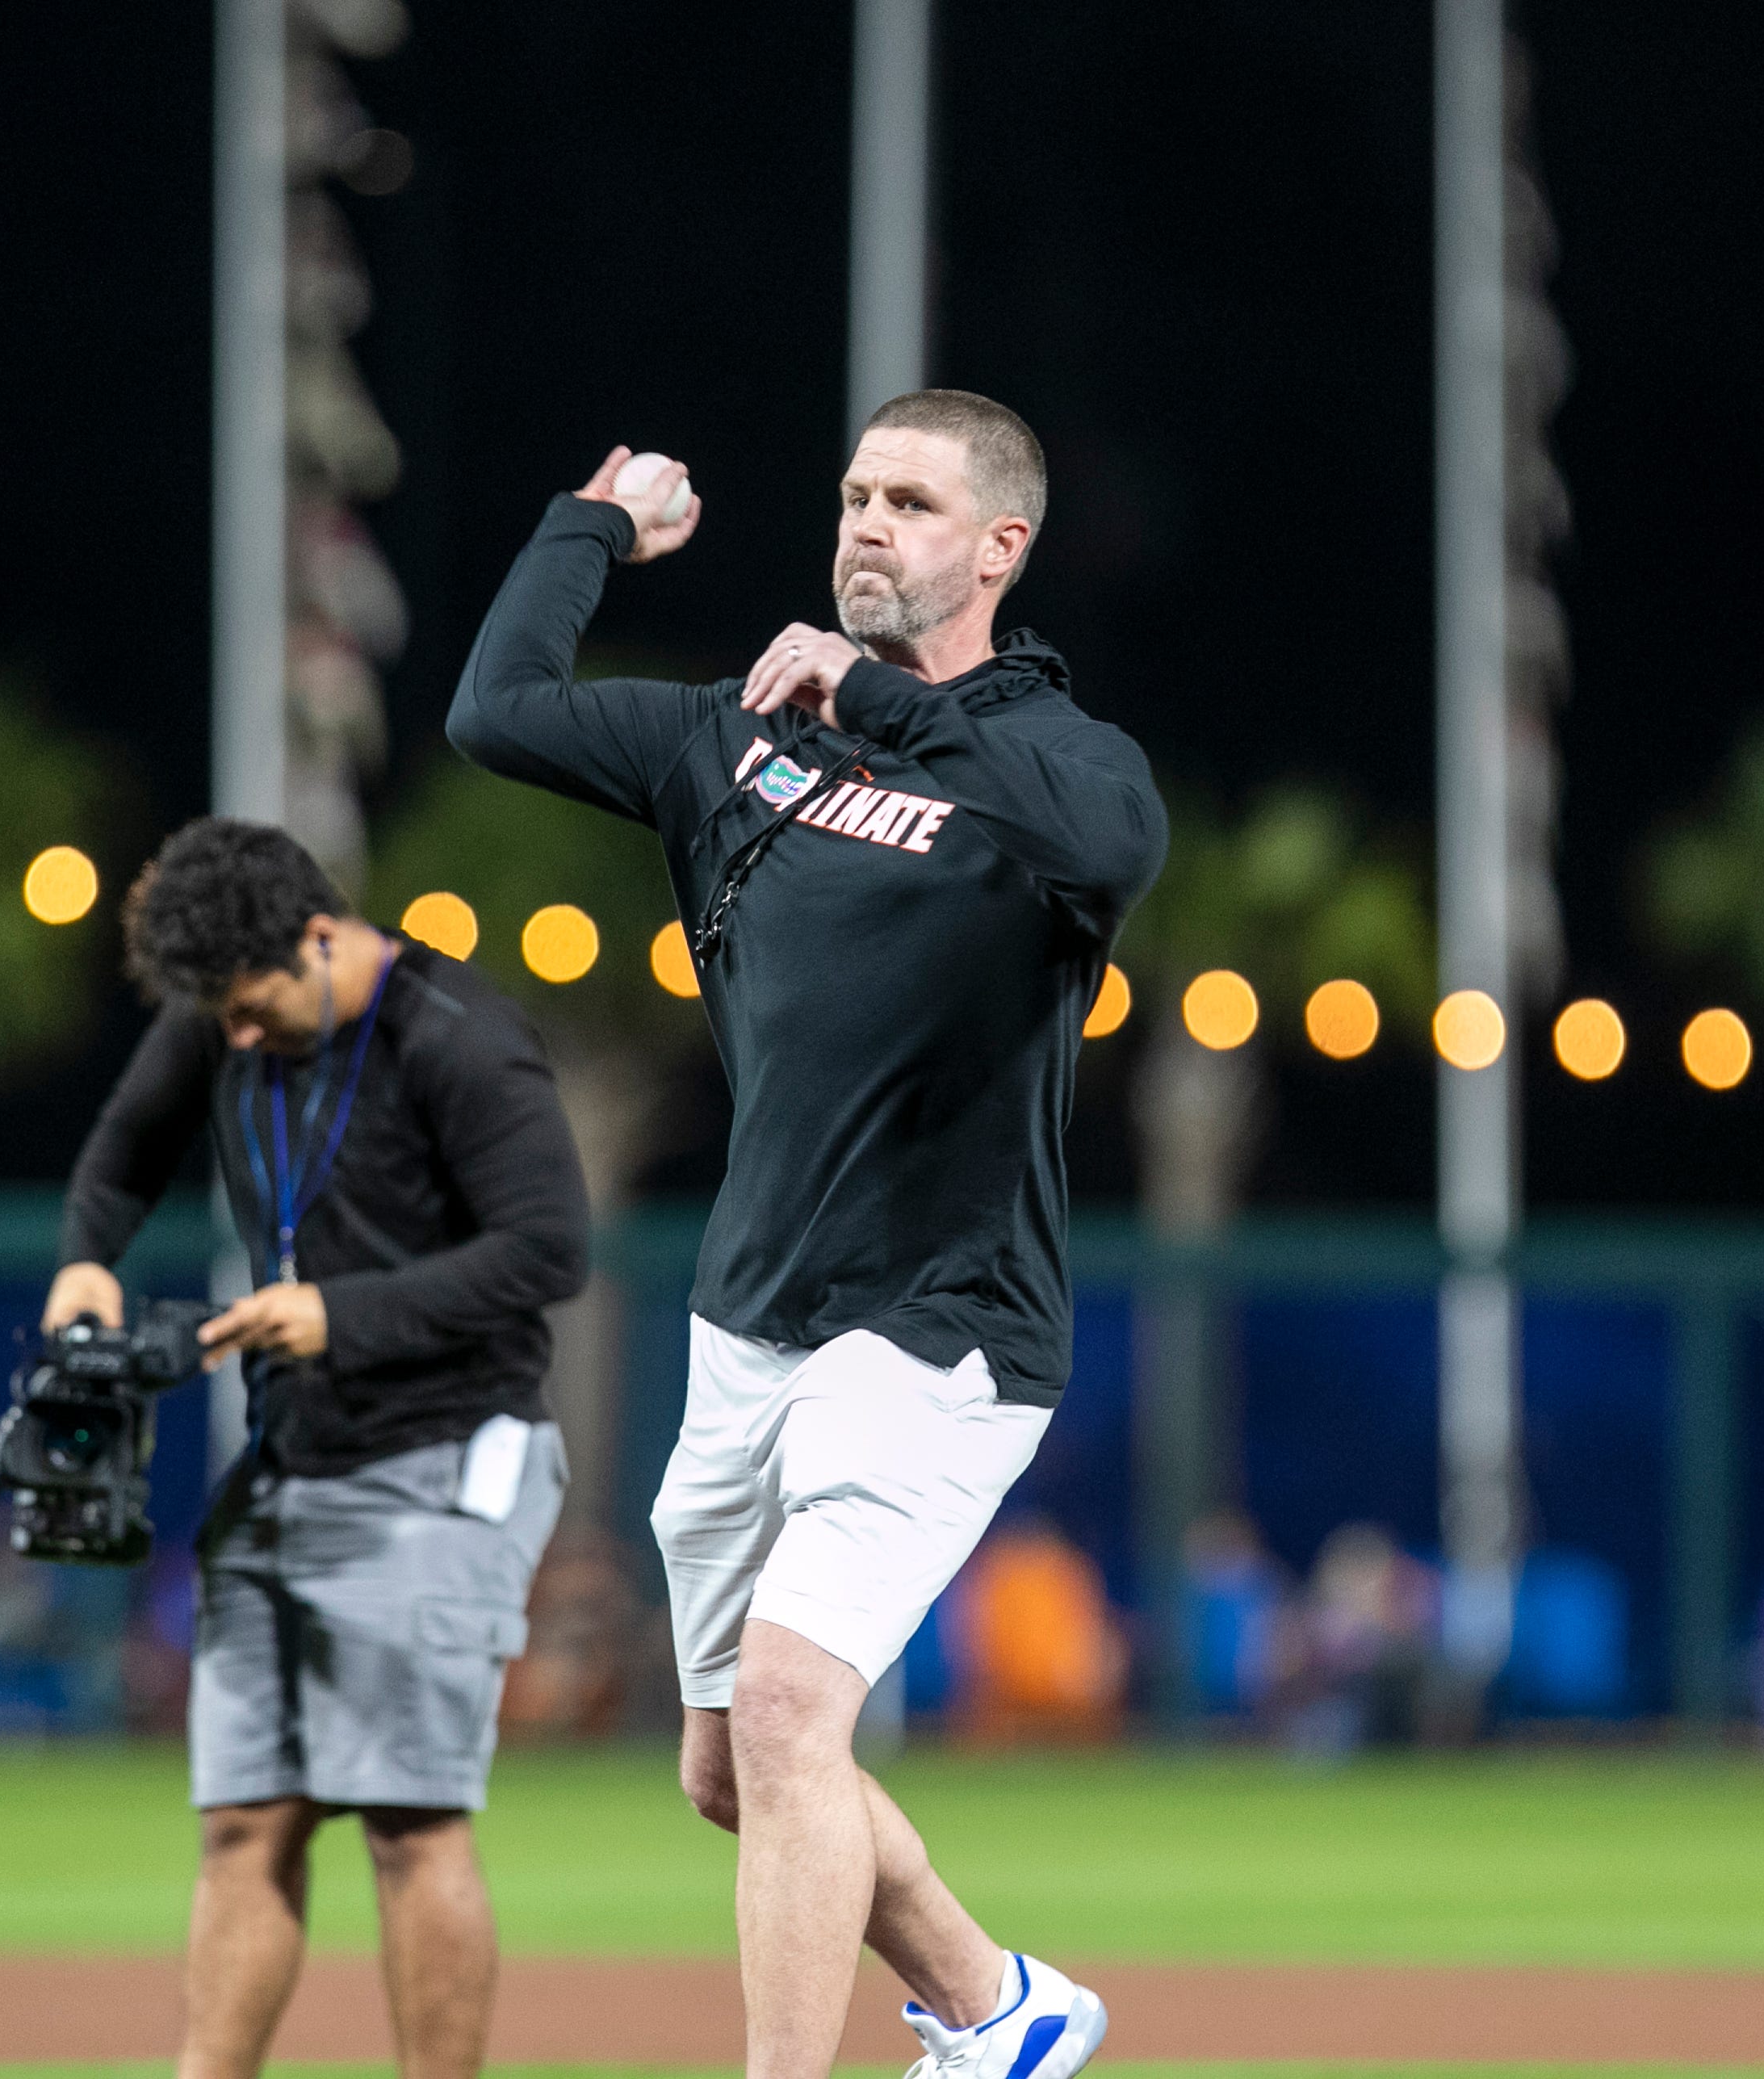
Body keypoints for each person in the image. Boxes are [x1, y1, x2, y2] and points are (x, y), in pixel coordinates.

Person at [447, 391, 1167, 2079]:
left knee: (786, 1716)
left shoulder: (1056, 760)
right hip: (749, 1312)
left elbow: (1106, 845)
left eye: (910, 501)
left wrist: (884, 704)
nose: (865, 525)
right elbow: (499, 710)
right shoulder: (737, 738)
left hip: (945, 1327)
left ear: (1001, 546)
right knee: (731, 1766)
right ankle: (1003, 2009)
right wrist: (592, 528)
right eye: (853, 494)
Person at [45, 818, 589, 2079]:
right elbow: (125, 1151)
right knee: (243, 1822)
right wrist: (87, 1260)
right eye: (216, 1016)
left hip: (448, 1457)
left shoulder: (458, 1038)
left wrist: (343, 1314)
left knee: (408, 1820)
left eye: (249, 1007)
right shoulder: (227, 1010)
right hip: (295, 1464)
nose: (233, 1036)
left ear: (318, 934)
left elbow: (549, 1251)